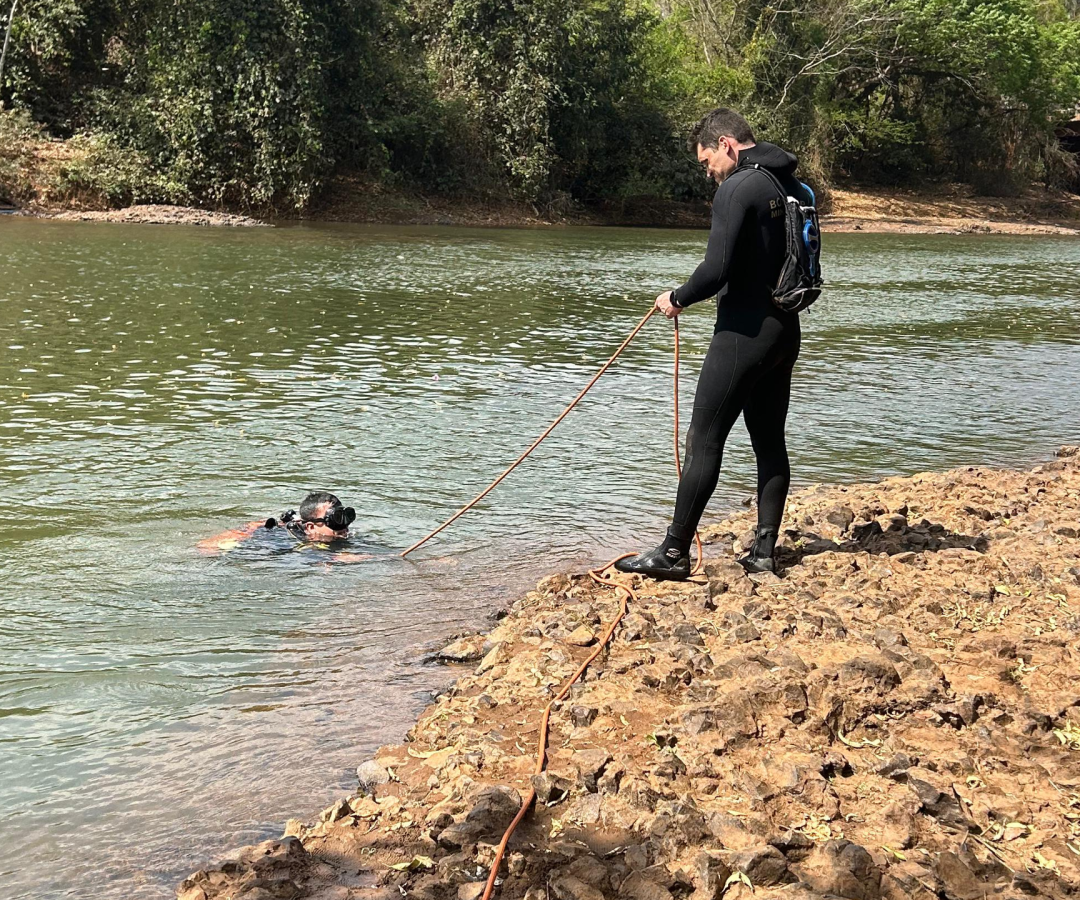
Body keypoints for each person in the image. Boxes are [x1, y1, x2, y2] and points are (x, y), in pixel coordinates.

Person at [616, 108, 810, 581]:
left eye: (707, 162)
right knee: (769, 441)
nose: (708, 173)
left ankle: (674, 552)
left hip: (743, 334)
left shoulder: (737, 188)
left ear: (725, 144)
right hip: (785, 331)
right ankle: (765, 552)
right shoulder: (793, 187)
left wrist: (676, 298)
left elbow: (716, 269)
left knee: (704, 438)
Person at [198, 490, 374, 562]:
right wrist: (333, 559)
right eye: (335, 520)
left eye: (345, 518)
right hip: (265, 547)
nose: (343, 527)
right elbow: (310, 555)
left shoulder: (342, 535)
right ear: (312, 527)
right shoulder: (288, 542)